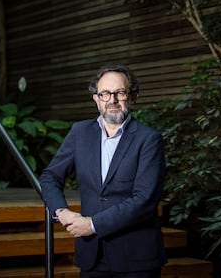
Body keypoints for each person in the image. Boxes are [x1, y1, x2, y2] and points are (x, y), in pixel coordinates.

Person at [39, 65, 167, 278]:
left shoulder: (149, 139)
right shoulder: (79, 133)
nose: (112, 100)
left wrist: (92, 224)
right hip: (92, 255)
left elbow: (144, 200)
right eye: (105, 93)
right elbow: (50, 176)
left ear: (132, 97)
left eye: (120, 93)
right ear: (96, 98)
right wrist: (61, 211)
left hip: (136, 258)